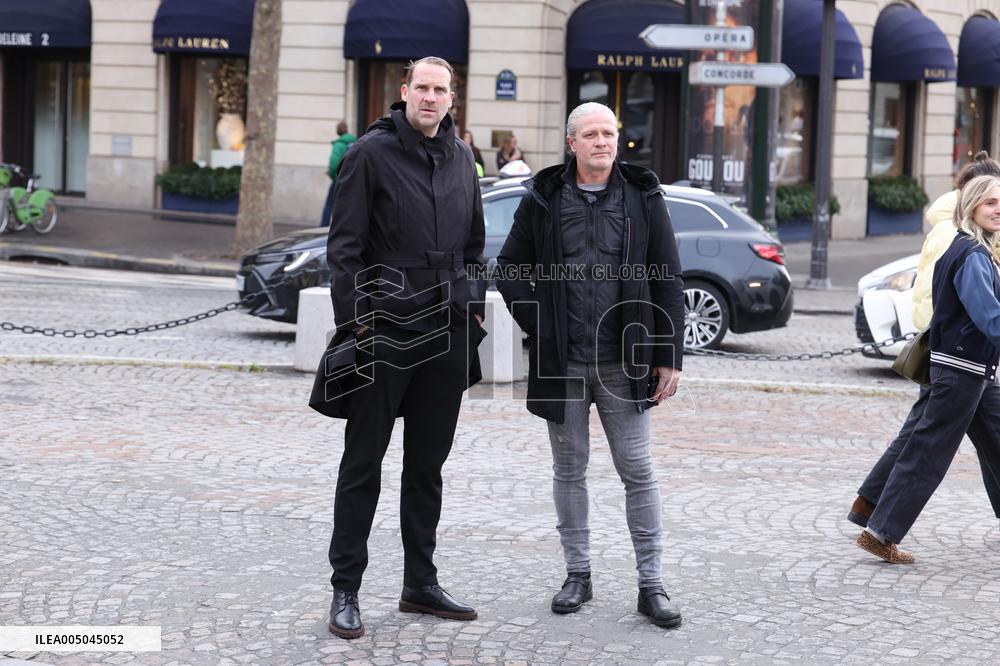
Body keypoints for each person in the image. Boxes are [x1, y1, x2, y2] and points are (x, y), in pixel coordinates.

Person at [495, 102, 685, 628]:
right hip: (563, 362)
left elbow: (667, 276)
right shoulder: (544, 197)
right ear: (571, 142)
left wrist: (668, 355)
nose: (602, 141)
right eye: (591, 134)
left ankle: (652, 585)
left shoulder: (643, 197)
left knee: (638, 471)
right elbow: (509, 267)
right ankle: (577, 575)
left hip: (625, 362)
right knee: (568, 469)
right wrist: (539, 322)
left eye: (609, 133)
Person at [321, 56, 487, 638]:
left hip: (445, 330)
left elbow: (474, 246)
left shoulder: (464, 155)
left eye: (441, 90)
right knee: (363, 463)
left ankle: (420, 582)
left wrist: (469, 306)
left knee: (427, 467)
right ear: (405, 91)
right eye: (423, 87)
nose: (431, 98)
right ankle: (346, 588)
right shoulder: (370, 153)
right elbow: (343, 250)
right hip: (383, 329)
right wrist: (358, 327)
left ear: (451, 98)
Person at [848, 152, 1000, 529]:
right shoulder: (965, 244)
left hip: (962, 355)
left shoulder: (968, 237)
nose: (998, 207)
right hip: (957, 356)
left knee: (946, 438)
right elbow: (972, 305)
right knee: (925, 446)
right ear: (971, 199)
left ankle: (870, 509)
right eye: (991, 200)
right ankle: (879, 524)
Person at [321, 121, 356, 227]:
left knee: (329, 205)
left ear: (337, 131)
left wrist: (333, 176)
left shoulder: (339, 144)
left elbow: (334, 165)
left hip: (339, 180)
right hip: (352, 179)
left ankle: (323, 228)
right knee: (347, 205)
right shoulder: (356, 141)